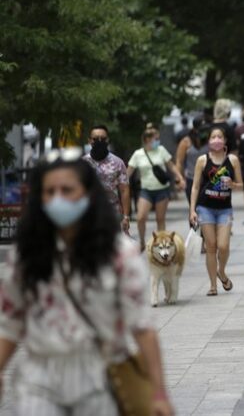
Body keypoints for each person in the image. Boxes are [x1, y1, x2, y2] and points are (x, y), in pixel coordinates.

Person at [0, 150, 173, 415]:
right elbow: (10, 325)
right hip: (39, 380)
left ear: (88, 195)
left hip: (100, 379)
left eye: (67, 190)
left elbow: (141, 327)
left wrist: (159, 393)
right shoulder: (25, 256)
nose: (58, 198)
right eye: (50, 191)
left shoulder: (119, 255)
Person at [190, 127, 243, 296]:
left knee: (224, 245)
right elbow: (195, 186)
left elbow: (241, 185)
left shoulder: (232, 160)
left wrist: (233, 185)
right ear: (209, 141)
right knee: (211, 246)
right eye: (213, 137)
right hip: (205, 208)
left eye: (220, 136)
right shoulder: (202, 160)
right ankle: (213, 285)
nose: (217, 139)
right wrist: (192, 210)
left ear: (225, 140)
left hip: (224, 209)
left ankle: (222, 271)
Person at [127, 125, 185, 251]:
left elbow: (171, 166)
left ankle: (162, 243)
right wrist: (121, 182)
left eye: (158, 139)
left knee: (160, 219)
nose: (158, 141)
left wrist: (180, 177)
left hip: (162, 190)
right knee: (141, 217)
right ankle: (142, 241)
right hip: (146, 190)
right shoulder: (138, 154)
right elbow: (129, 171)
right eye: (156, 139)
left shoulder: (161, 150)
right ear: (147, 140)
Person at [82, 125, 130, 233]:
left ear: (107, 140)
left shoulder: (118, 163)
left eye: (102, 139)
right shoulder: (82, 163)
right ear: (89, 140)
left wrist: (126, 216)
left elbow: (124, 190)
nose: (99, 141)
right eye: (95, 139)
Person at [176, 117, 207, 203]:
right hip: (191, 178)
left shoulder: (209, 140)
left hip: (208, 179)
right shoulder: (186, 141)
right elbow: (179, 161)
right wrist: (179, 179)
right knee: (194, 207)